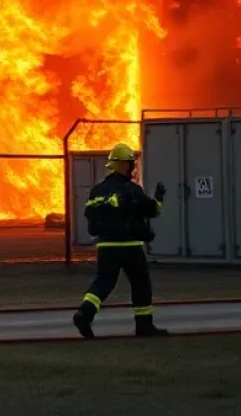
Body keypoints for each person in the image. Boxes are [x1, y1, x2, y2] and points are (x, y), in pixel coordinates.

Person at [73, 142, 169, 339]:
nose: (132, 168)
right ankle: (144, 326)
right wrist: (159, 198)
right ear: (122, 165)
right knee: (141, 283)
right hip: (131, 246)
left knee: (104, 282)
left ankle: (84, 313)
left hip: (106, 246)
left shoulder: (98, 190)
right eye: (130, 164)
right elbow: (153, 211)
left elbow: (89, 214)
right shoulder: (133, 190)